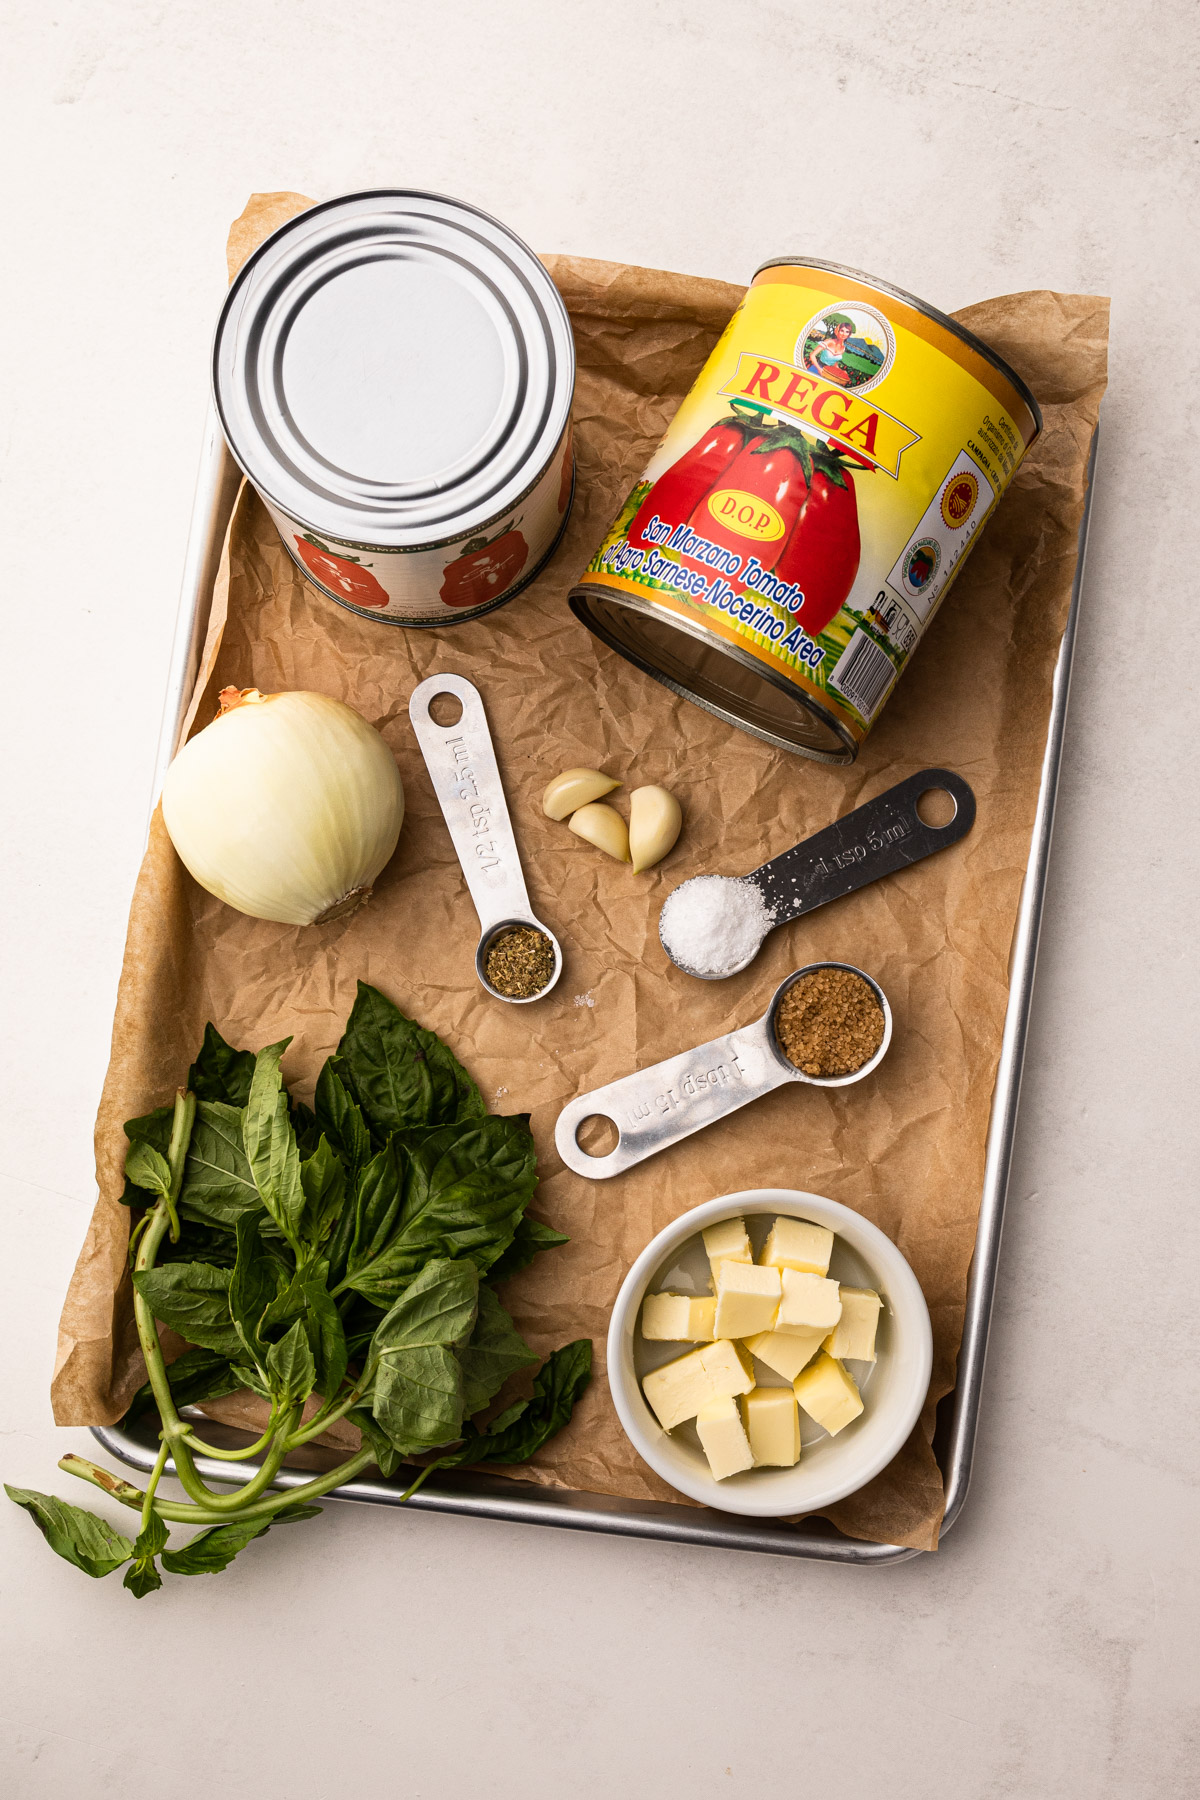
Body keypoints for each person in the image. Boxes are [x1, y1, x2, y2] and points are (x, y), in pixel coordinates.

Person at [804, 318, 854, 386]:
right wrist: (819, 369)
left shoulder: (843, 348)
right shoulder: (829, 342)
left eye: (847, 332)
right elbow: (812, 355)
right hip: (816, 369)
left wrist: (841, 371)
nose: (844, 334)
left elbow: (834, 363)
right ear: (838, 331)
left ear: (849, 335)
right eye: (842, 330)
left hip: (828, 375)